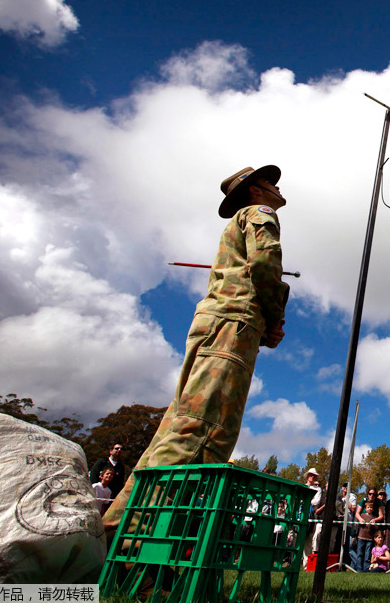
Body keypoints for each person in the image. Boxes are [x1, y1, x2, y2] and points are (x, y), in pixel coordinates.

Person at [102, 165, 290, 531]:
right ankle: (133, 551)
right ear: (254, 191)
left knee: (177, 430)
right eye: (270, 181)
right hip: (233, 324)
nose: (278, 186)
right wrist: (274, 319)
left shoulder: (237, 222)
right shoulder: (258, 214)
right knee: (203, 432)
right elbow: (265, 262)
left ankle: (110, 535)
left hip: (216, 325)